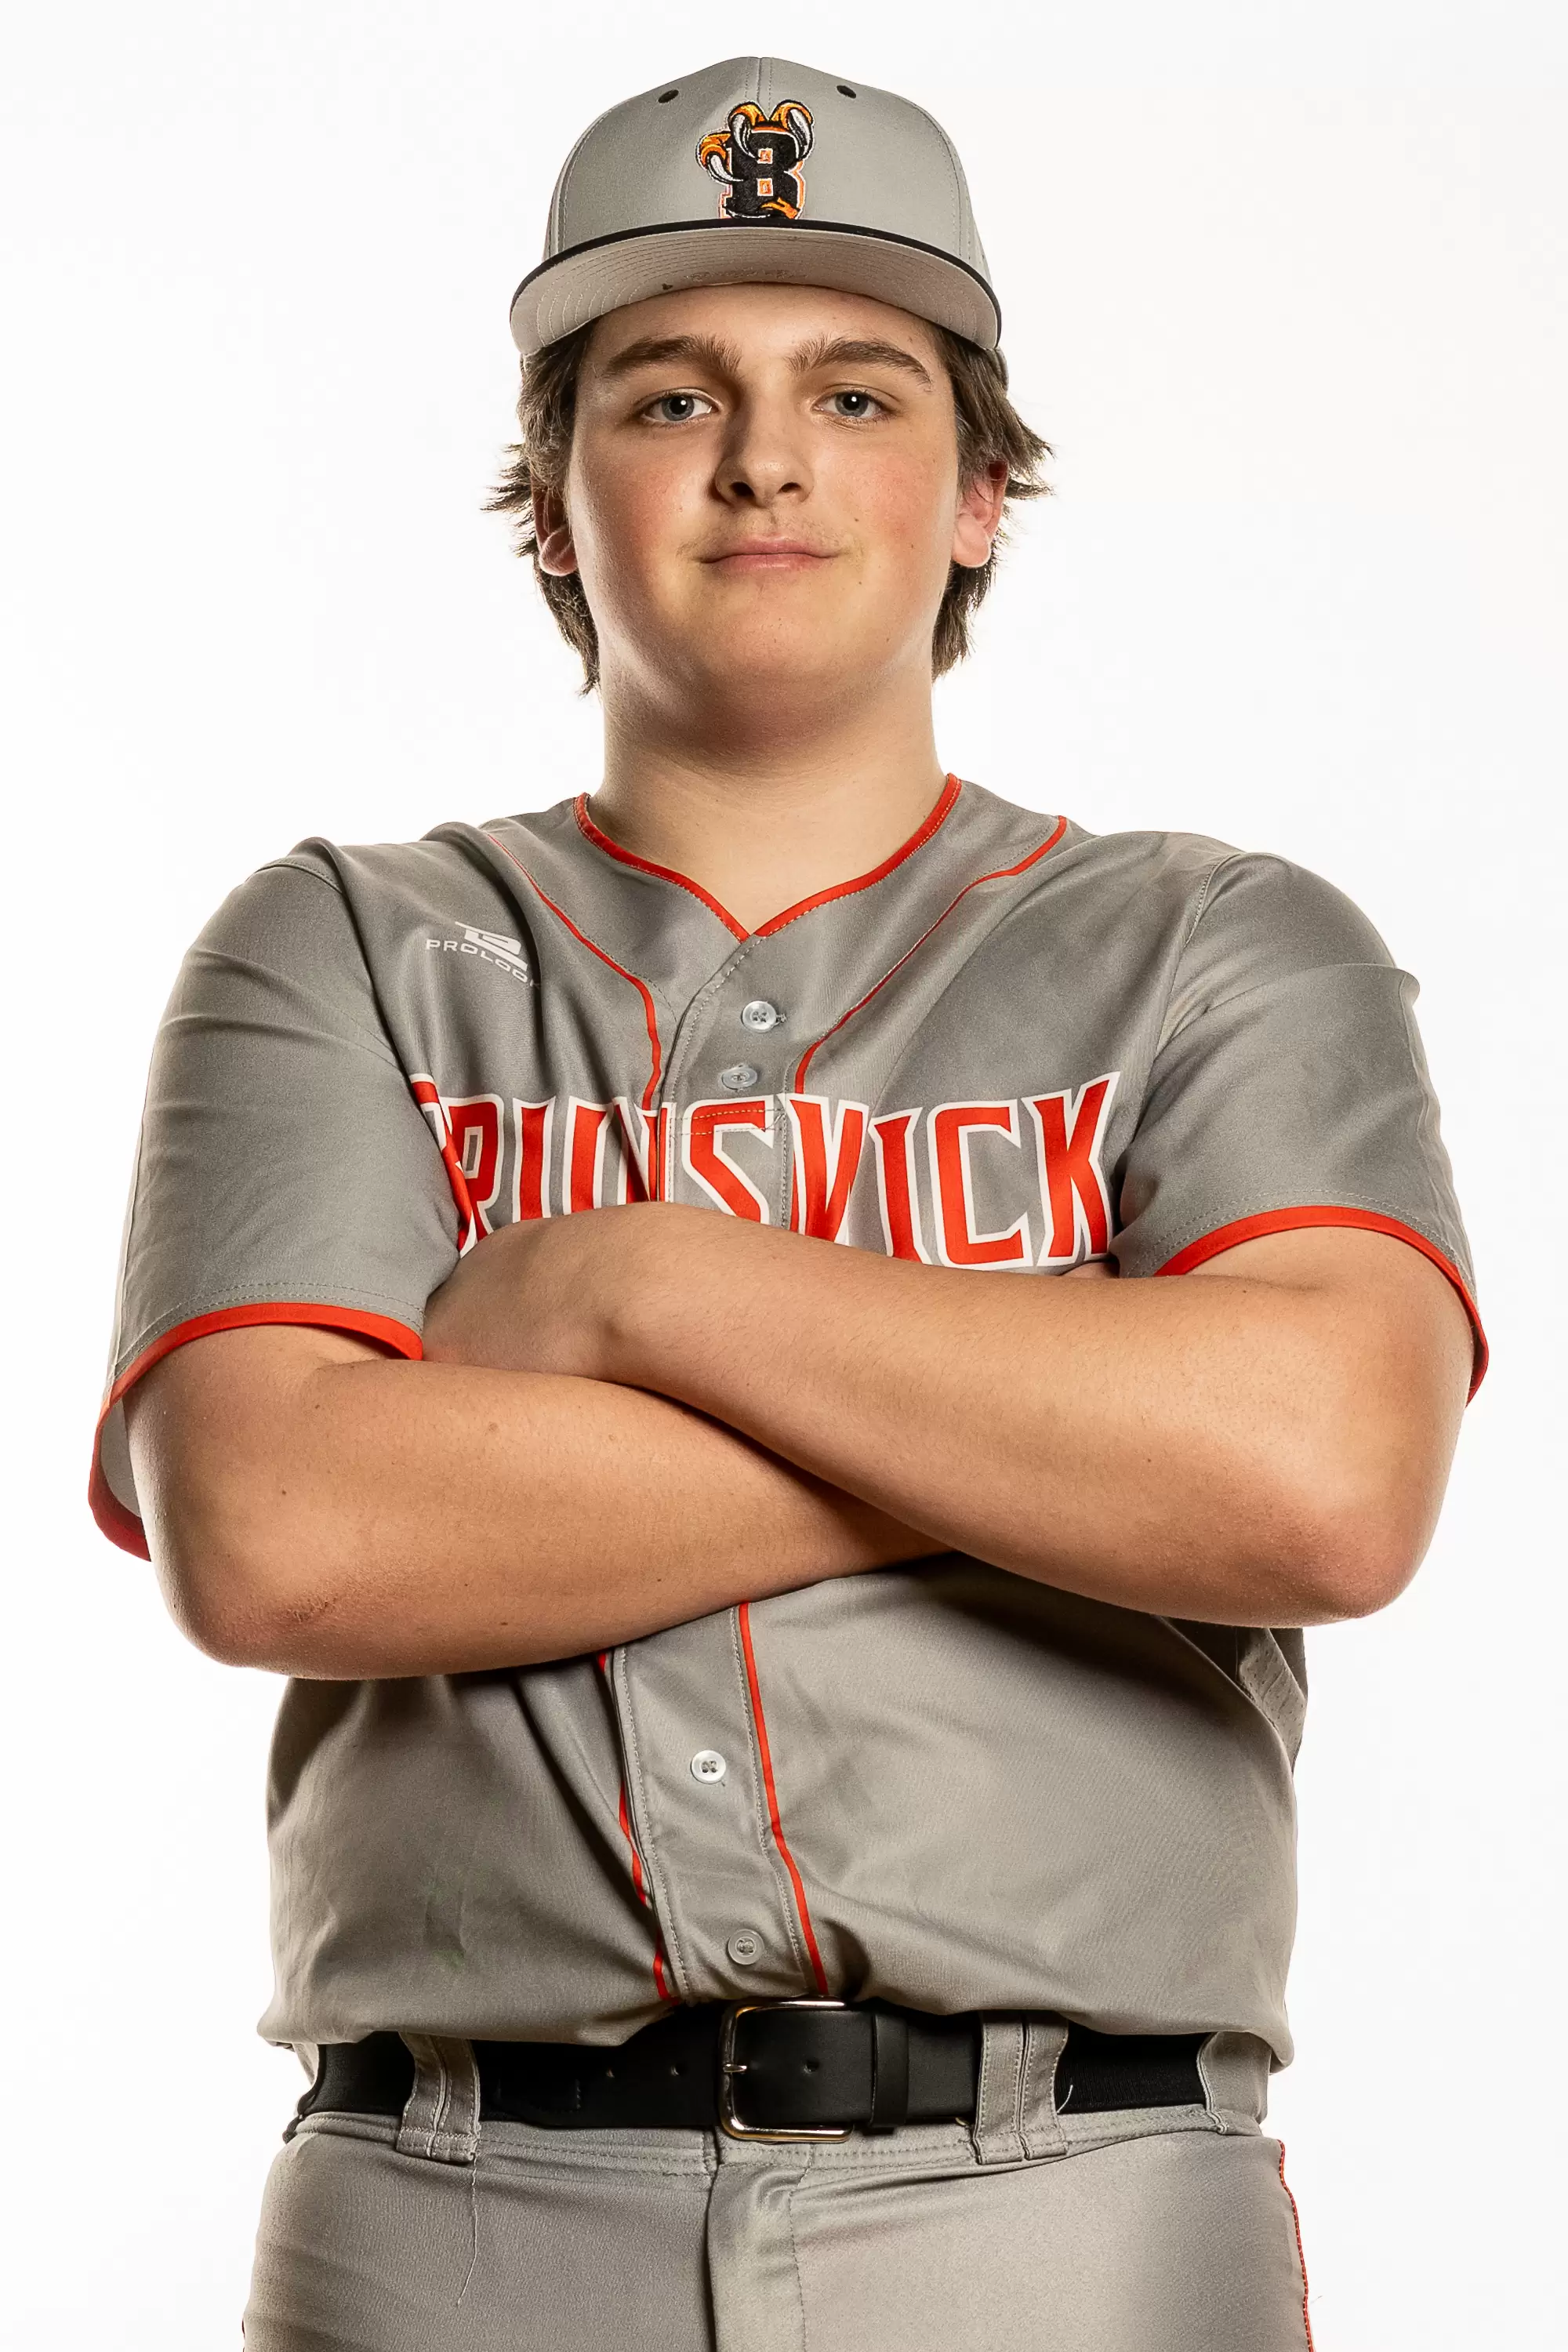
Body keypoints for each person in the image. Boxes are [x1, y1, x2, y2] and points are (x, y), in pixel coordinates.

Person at [92, 55, 1483, 2352]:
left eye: (857, 390)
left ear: (981, 494)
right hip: (450, 2210)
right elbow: (278, 1536)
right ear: (551, 503)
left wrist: (636, 1286)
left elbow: (1322, 1484)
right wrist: (1058, 1439)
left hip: (1076, 2208)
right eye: (667, 396)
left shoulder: (1219, 949)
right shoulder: (343, 943)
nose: (764, 457)